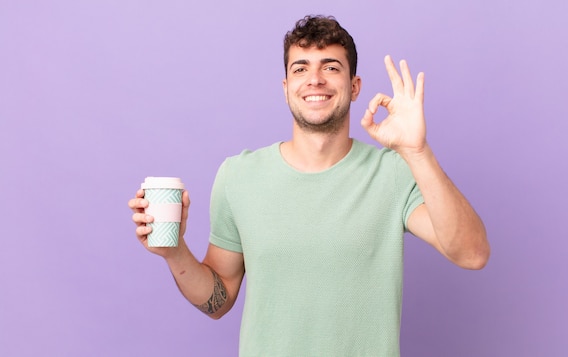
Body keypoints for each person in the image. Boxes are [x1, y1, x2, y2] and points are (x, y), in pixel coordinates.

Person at [129, 15, 489, 356]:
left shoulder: (392, 173)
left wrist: (418, 151)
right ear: (286, 88)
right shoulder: (238, 176)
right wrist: (174, 252)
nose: (314, 79)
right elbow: (218, 300)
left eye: (330, 67)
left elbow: (472, 254)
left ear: (354, 86)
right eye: (300, 68)